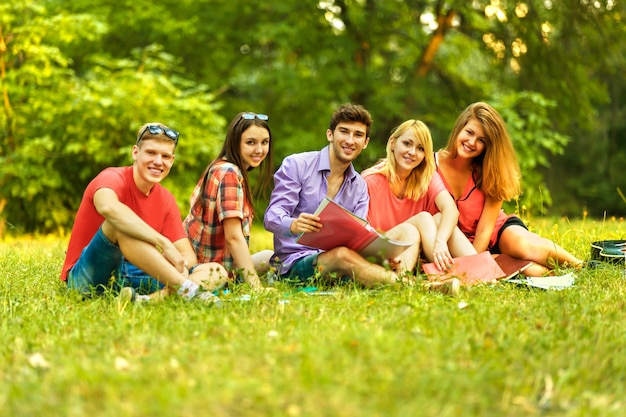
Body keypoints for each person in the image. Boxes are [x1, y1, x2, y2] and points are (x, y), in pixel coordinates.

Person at [60, 122, 229, 302]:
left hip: (134, 278)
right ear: (135, 152)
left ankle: (147, 301)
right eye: (151, 153)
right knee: (119, 226)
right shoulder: (111, 177)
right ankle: (189, 291)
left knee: (216, 271)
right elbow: (108, 207)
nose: (158, 161)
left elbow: (187, 255)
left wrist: (180, 266)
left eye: (165, 156)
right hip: (89, 277)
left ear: (171, 160)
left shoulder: (165, 198)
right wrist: (164, 244)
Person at [264, 103, 409, 287]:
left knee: (377, 251)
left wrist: (380, 256)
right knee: (342, 255)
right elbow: (271, 217)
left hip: (339, 266)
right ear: (330, 135)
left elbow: (359, 236)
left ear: (365, 143)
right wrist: (293, 224)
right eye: (344, 131)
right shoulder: (297, 165)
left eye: (358, 135)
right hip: (293, 265)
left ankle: (402, 282)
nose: (350, 140)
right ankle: (412, 286)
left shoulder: (359, 186)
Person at [435, 102, 584, 276]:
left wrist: (473, 263)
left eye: (482, 140)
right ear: (459, 128)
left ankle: (583, 267)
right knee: (535, 272)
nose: (472, 142)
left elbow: (485, 230)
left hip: (496, 233)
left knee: (524, 246)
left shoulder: (489, 170)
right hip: (460, 245)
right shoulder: (431, 166)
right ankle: (511, 263)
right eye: (469, 132)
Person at [362, 119, 476, 273]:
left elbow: (451, 210)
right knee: (422, 218)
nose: (412, 152)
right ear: (392, 143)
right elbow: (363, 234)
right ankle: (451, 274)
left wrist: (441, 241)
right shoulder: (370, 180)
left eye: (420, 148)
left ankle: (482, 270)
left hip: (415, 250)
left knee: (440, 219)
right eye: (407, 144)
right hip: (379, 251)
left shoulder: (426, 176)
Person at [183, 112, 274, 290]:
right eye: (250, 142)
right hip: (206, 267)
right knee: (223, 274)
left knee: (271, 257)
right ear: (235, 142)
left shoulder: (220, 165)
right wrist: (256, 288)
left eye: (264, 142)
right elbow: (233, 237)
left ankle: (236, 279)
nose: (259, 150)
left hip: (224, 263)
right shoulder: (229, 173)